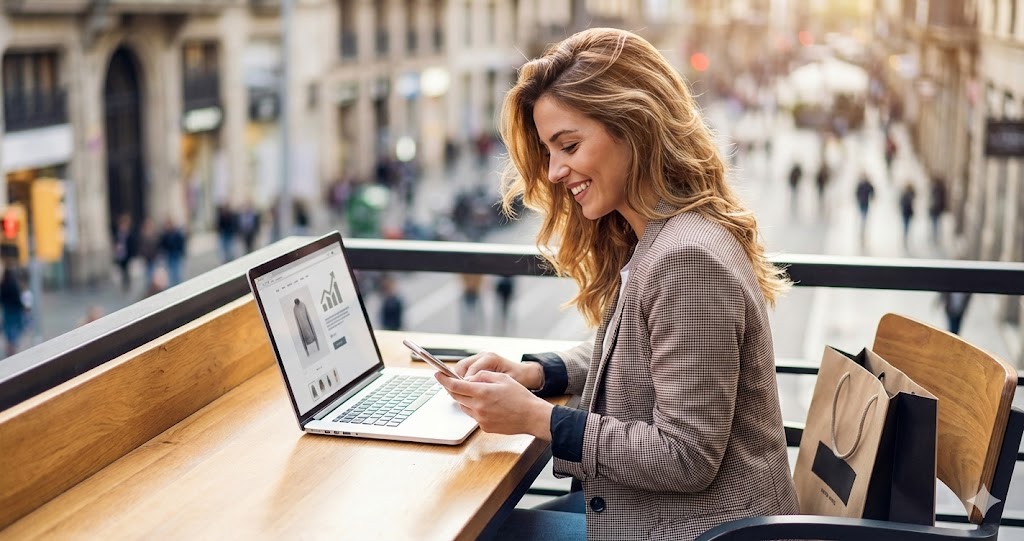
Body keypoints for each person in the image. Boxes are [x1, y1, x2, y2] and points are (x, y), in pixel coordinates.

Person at [435, 28, 797, 540]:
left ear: (635, 127)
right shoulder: (660, 233)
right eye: (548, 152)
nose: (555, 171)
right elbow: (640, 355)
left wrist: (539, 419)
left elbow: (687, 455)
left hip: (696, 529)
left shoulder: (687, 258)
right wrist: (533, 374)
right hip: (666, 516)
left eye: (569, 145)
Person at [1, 267, 27, 356]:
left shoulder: (3, 284)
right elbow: (17, 298)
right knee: (15, 329)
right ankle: (12, 347)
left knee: (9, 329)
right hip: (15, 310)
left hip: (7, 310)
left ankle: (9, 347)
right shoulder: (13, 284)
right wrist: (22, 306)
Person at [928, 176, 947, 244]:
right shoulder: (941, 189)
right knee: (936, 222)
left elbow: (933, 200)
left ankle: (935, 236)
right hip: (937, 209)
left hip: (935, 209)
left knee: (935, 223)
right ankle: (935, 236)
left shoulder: (936, 189)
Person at [898, 183, 916, 250]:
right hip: (905, 212)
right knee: (905, 225)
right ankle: (905, 237)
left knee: (907, 225)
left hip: (908, 212)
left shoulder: (911, 193)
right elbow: (901, 202)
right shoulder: (904, 194)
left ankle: (906, 237)